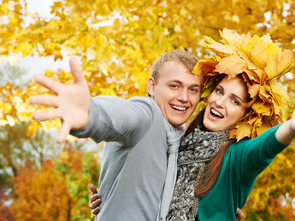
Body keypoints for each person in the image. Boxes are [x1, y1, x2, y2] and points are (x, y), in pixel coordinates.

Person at [89, 30, 295, 220]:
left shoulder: (236, 157)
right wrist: (112, 198)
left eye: (235, 101)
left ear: (245, 115)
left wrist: (293, 126)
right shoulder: (177, 142)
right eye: (219, 91)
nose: (220, 102)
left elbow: (264, 149)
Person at [30, 50, 203, 221]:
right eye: (174, 86)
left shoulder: (185, 143)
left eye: (193, 89)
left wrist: (111, 198)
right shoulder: (148, 116)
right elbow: (123, 114)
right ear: (152, 86)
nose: (184, 97)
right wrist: (90, 112)